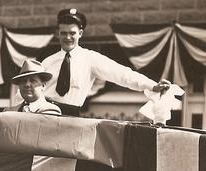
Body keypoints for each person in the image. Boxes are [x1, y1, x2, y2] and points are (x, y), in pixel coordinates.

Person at [43, 8, 171, 115]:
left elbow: (122, 74)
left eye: (72, 33)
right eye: (63, 33)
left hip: (70, 118)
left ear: (80, 33)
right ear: (58, 34)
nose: (68, 37)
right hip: (44, 114)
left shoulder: (90, 59)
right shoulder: (47, 62)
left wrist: (152, 85)